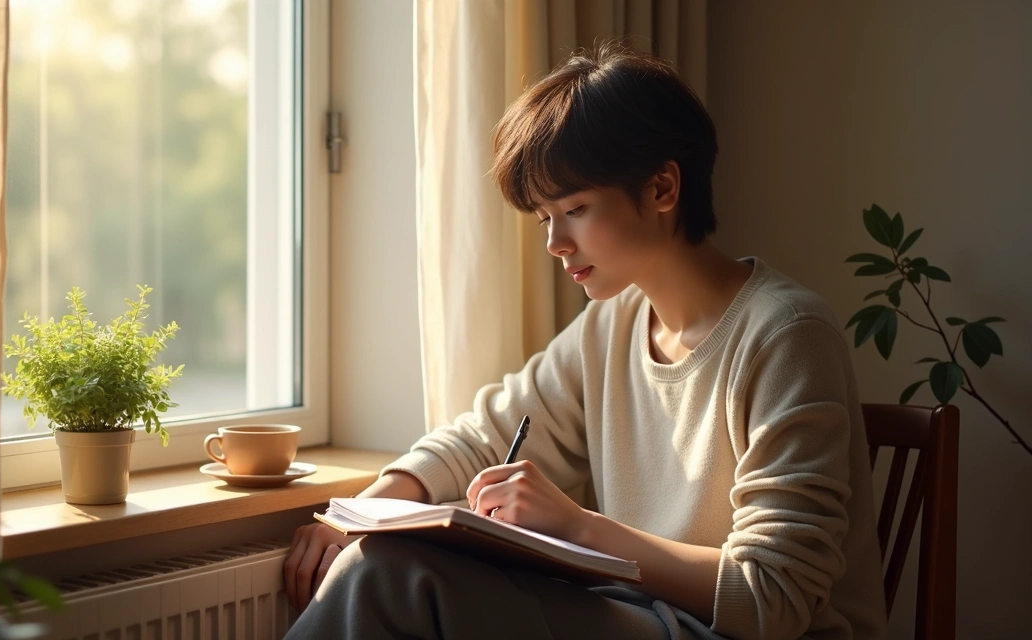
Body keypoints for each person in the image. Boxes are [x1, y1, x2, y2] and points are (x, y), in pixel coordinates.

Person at [282, 46, 887, 640]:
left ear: (662, 189)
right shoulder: (615, 323)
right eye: (545, 217)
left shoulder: (786, 336)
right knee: (380, 564)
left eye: (574, 208)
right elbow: (487, 432)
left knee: (393, 582)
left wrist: (578, 526)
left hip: (733, 631)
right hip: (643, 614)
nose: (556, 244)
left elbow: (774, 601)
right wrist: (366, 512)